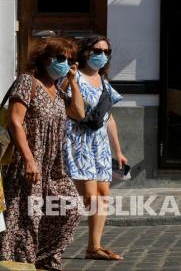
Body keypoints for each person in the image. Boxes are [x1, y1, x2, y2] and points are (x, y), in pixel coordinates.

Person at [0, 37, 85, 270]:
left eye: (70, 59)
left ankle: (43, 258)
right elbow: (14, 122)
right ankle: (18, 262)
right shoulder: (27, 81)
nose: (66, 62)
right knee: (24, 215)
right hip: (27, 160)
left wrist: (73, 80)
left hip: (53, 164)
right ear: (45, 58)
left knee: (69, 208)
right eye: (61, 58)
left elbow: (79, 113)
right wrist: (30, 160)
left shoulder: (58, 90)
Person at [63, 35, 128, 260]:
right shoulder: (72, 77)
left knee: (103, 194)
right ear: (86, 52)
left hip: (99, 144)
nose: (101, 55)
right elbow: (70, 110)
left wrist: (117, 150)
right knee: (89, 196)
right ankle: (54, 240)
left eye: (106, 52)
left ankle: (94, 247)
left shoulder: (104, 81)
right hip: (78, 141)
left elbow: (109, 118)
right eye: (97, 50)